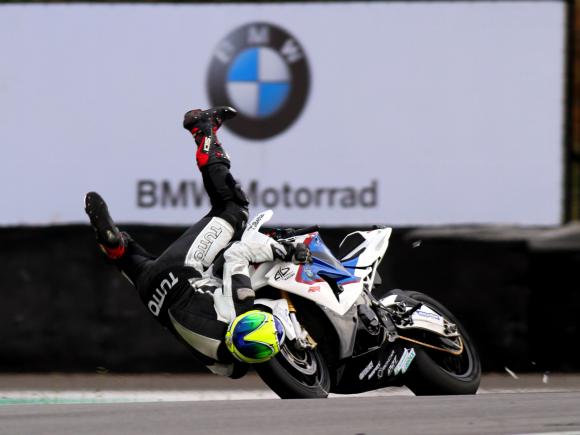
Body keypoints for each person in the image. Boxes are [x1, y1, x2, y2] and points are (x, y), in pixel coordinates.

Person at [84, 107, 310, 378]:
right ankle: (116, 246)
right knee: (129, 259)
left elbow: (237, 254)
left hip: (180, 273)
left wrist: (285, 250)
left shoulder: (240, 308)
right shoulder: (227, 365)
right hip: (154, 295)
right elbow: (229, 366)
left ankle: (203, 130)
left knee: (234, 207)